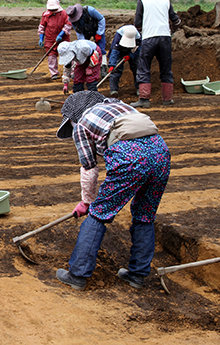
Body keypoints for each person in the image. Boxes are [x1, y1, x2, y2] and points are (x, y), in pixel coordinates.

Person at [54, 91, 170, 291]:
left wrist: (87, 203)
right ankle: (137, 274)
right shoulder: (121, 106)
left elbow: (89, 168)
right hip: (161, 153)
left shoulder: (81, 124)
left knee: (99, 214)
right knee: (145, 214)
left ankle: (78, 274)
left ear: (74, 116)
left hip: (130, 159)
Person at [130, 0, 182, 108]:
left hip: (149, 38)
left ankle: (144, 99)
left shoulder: (142, 1)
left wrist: (144, 30)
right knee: (166, 67)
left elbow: (137, 23)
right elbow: (176, 21)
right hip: (165, 37)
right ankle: (167, 99)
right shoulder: (166, 0)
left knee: (144, 67)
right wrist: (172, 32)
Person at [66, 4, 107, 75]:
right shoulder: (73, 21)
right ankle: (80, 68)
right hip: (85, 32)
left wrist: (99, 33)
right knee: (81, 49)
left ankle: (103, 67)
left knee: (101, 48)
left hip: (97, 28)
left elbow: (101, 19)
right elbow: (79, 33)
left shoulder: (90, 11)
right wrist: (83, 43)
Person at [37, 0, 72, 80]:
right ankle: (54, 73)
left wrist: (61, 34)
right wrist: (41, 38)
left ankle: (70, 72)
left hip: (63, 38)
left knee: (68, 54)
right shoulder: (45, 15)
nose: (52, 11)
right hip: (50, 38)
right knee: (51, 56)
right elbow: (42, 27)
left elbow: (68, 25)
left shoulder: (64, 14)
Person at [107, 25, 141, 97]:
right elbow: (115, 51)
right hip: (120, 50)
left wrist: (131, 56)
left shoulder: (138, 38)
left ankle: (139, 88)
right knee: (116, 69)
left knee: (137, 68)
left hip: (133, 50)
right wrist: (112, 64)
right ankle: (113, 89)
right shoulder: (118, 37)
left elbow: (139, 50)